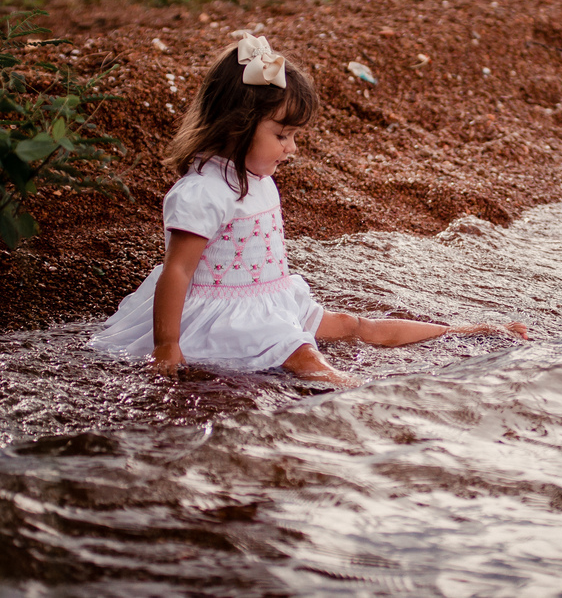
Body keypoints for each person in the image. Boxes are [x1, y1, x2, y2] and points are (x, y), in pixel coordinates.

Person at [92, 31, 526, 386]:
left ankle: (463, 333)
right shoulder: (202, 192)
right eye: (282, 135)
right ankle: (366, 396)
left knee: (354, 325)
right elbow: (177, 271)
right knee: (302, 354)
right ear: (237, 126)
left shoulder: (256, 178)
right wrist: (167, 345)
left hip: (270, 301)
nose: (292, 148)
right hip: (223, 315)